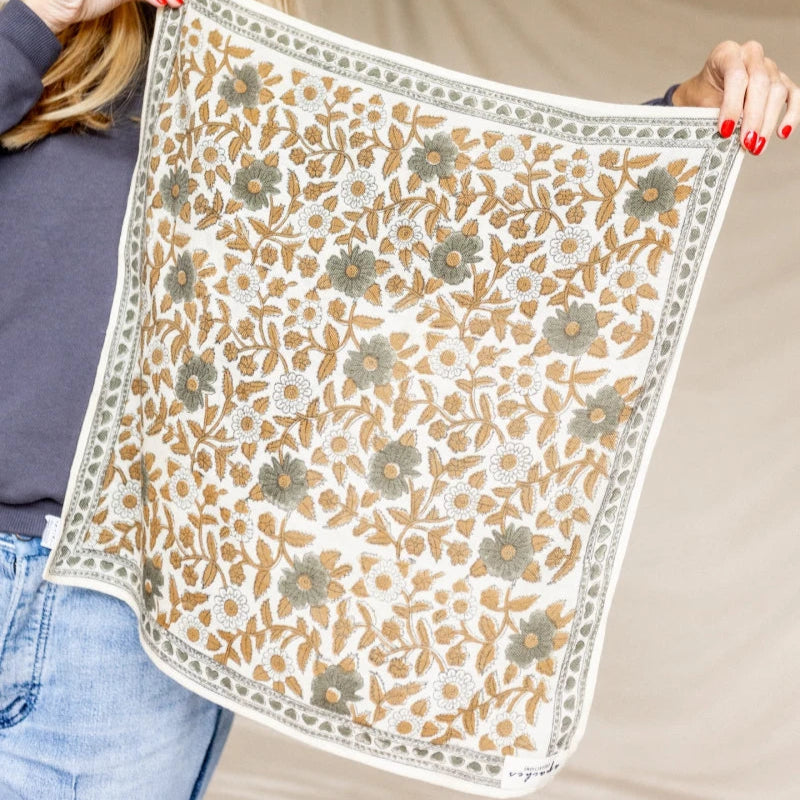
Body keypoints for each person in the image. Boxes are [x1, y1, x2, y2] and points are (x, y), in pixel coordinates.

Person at [0, 0, 796, 796]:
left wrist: (678, 125)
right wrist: (41, 12)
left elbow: (453, 225)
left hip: (135, 598)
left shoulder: (248, 69)